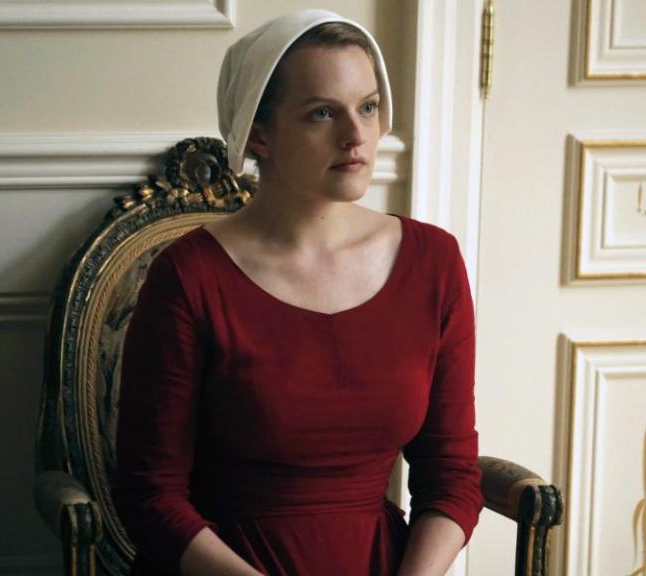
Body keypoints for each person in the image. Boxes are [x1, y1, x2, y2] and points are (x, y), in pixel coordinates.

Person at [112, 9, 483, 576]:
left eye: (368, 106)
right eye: (321, 113)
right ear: (259, 133)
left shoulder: (433, 261)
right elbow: (150, 495)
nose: (357, 136)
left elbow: (451, 475)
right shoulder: (187, 278)